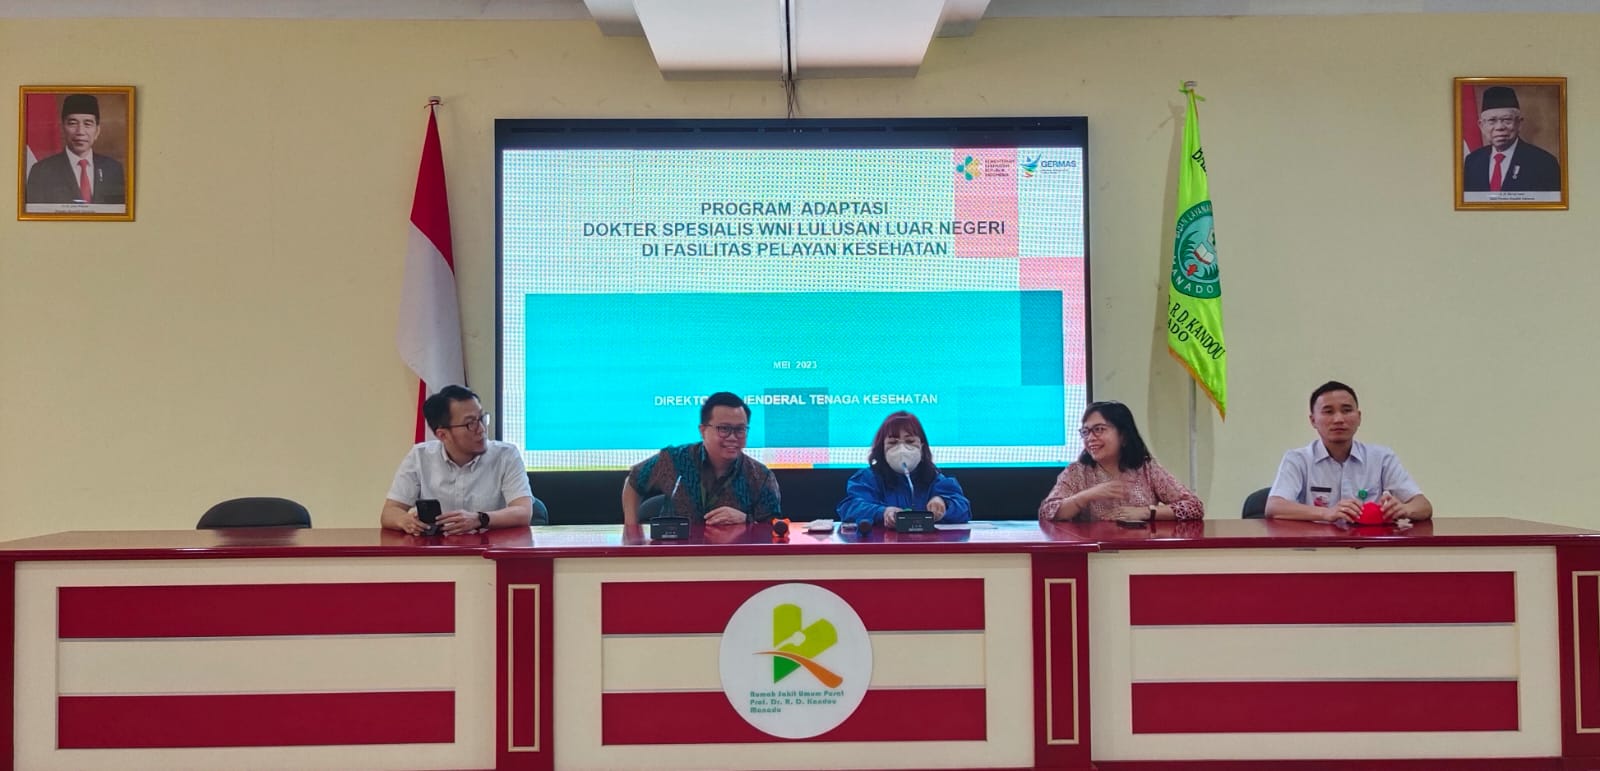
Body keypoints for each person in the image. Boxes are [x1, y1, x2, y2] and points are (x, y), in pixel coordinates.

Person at [1264, 381, 1432, 523]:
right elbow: (1274, 507)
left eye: (1346, 410)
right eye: (1328, 411)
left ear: (1359, 417)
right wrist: (1326, 513)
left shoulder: (1381, 458)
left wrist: (1404, 509)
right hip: (1317, 547)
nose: (1338, 419)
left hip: (1368, 547)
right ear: (1313, 420)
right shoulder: (1298, 459)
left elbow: (1423, 506)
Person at [381, 385, 537, 535]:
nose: (482, 429)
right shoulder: (420, 456)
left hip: (489, 548)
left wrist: (480, 519)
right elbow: (389, 512)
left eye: (482, 418)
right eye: (470, 423)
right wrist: (405, 520)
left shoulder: (506, 455)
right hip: (438, 550)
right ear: (443, 435)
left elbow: (523, 511)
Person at [622, 391, 781, 527]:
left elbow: (774, 529)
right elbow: (634, 481)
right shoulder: (673, 460)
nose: (733, 437)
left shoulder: (760, 477)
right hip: (676, 550)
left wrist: (746, 520)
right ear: (703, 430)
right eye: (724, 429)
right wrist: (631, 528)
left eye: (740, 429)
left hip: (734, 552)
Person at [1038, 401, 1204, 522]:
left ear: (1123, 436)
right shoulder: (1077, 472)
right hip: (1095, 553)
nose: (1090, 438)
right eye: (1085, 432)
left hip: (1139, 550)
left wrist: (1147, 512)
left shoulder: (1146, 468)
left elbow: (1194, 507)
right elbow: (1047, 512)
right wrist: (1087, 496)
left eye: (1099, 430)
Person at [836, 411, 971, 527]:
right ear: (882, 448)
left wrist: (944, 503)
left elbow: (964, 508)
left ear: (922, 447)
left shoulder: (934, 478)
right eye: (893, 442)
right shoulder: (868, 478)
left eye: (910, 441)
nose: (902, 449)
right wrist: (883, 512)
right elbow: (849, 507)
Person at [25, 93, 127, 205]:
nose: (80, 131)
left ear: (97, 131)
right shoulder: (41, 171)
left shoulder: (113, 169)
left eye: (88, 124)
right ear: (62, 128)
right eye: (73, 124)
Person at [1463, 86, 1561, 193]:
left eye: (1507, 120)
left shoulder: (1544, 163)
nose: (1499, 127)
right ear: (1481, 125)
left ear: (1519, 123)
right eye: (1492, 120)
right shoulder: (1472, 161)